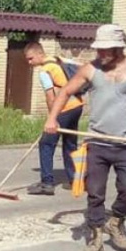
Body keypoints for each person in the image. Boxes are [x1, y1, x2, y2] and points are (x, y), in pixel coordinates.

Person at [43, 24, 126, 251]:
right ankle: (95, 233)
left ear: (119, 47)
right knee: (95, 191)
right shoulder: (89, 70)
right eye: (99, 49)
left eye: (107, 49)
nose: (101, 54)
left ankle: (115, 221)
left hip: (125, 144)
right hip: (97, 143)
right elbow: (64, 92)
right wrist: (52, 119)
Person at [23, 42, 84, 195]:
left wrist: (52, 118)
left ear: (39, 54)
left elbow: (51, 97)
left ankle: (47, 183)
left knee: (46, 143)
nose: (29, 63)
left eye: (30, 59)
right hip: (77, 105)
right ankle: (73, 180)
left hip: (63, 109)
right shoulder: (58, 60)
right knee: (70, 144)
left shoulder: (45, 71)